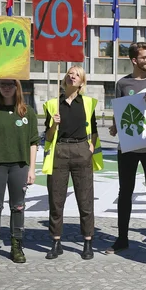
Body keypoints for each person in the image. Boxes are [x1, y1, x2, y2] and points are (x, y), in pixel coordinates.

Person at [107, 43, 146, 255]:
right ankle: (122, 238)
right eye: (145, 57)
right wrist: (115, 127)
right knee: (125, 192)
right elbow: (120, 111)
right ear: (134, 60)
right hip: (128, 147)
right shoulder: (122, 84)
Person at [43, 65, 103, 260]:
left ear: (82, 82)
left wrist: (91, 147)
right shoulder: (53, 104)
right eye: (70, 73)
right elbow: (48, 135)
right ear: (65, 79)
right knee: (56, 199)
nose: (72, 76)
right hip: (59, 150)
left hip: (81, 151)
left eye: (77, 74)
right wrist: (54, 124)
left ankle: (87, 242)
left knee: (85, 200)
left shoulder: (87, 103)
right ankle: (56, 242)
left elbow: (94, 130)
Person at [0, 80, 39, 266]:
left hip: (19, 165)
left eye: (10, 84)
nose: (6, 87)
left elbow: (33, 142)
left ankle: (16, 246)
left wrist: (32, 169)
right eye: (3, 84)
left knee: (18, 207)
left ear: (17, 87)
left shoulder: (27, 111)